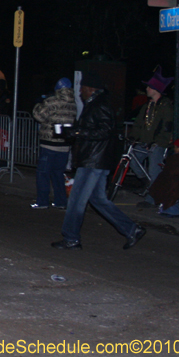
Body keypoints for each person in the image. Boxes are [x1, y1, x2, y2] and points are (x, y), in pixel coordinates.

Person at [52, 72, 146, 251]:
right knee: (98, 199)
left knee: (76, 200)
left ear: (89, 88)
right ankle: (132, 229)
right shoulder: (96, 104)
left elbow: (104, 131)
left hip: (93, 161)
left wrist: (77, 133)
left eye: (81, 88)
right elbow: (94, 129)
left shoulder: (99, 105)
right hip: (96, 160)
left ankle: (71, 237)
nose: (79, 91)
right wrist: (72, 131)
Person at [31, 78, 77, 209]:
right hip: (64, 144)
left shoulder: (52, 101)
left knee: (43, 173)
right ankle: (61, 201)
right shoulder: (73, 103)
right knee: (58, 173)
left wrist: (39, 104)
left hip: (49, 142)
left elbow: (39, 116)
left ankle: (42, 201)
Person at [129, 66, 174, 190]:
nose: (147, 89)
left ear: (156, 89)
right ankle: (146, 181)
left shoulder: (166, 106)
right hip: (144, 142)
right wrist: (134, 136)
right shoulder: (147, 105)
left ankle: (152, 198)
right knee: (132, 159)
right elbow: (138, 122)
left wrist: (157, 142)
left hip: (157, 144)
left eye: (149, 87)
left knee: (154, 170)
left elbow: (166, 127)